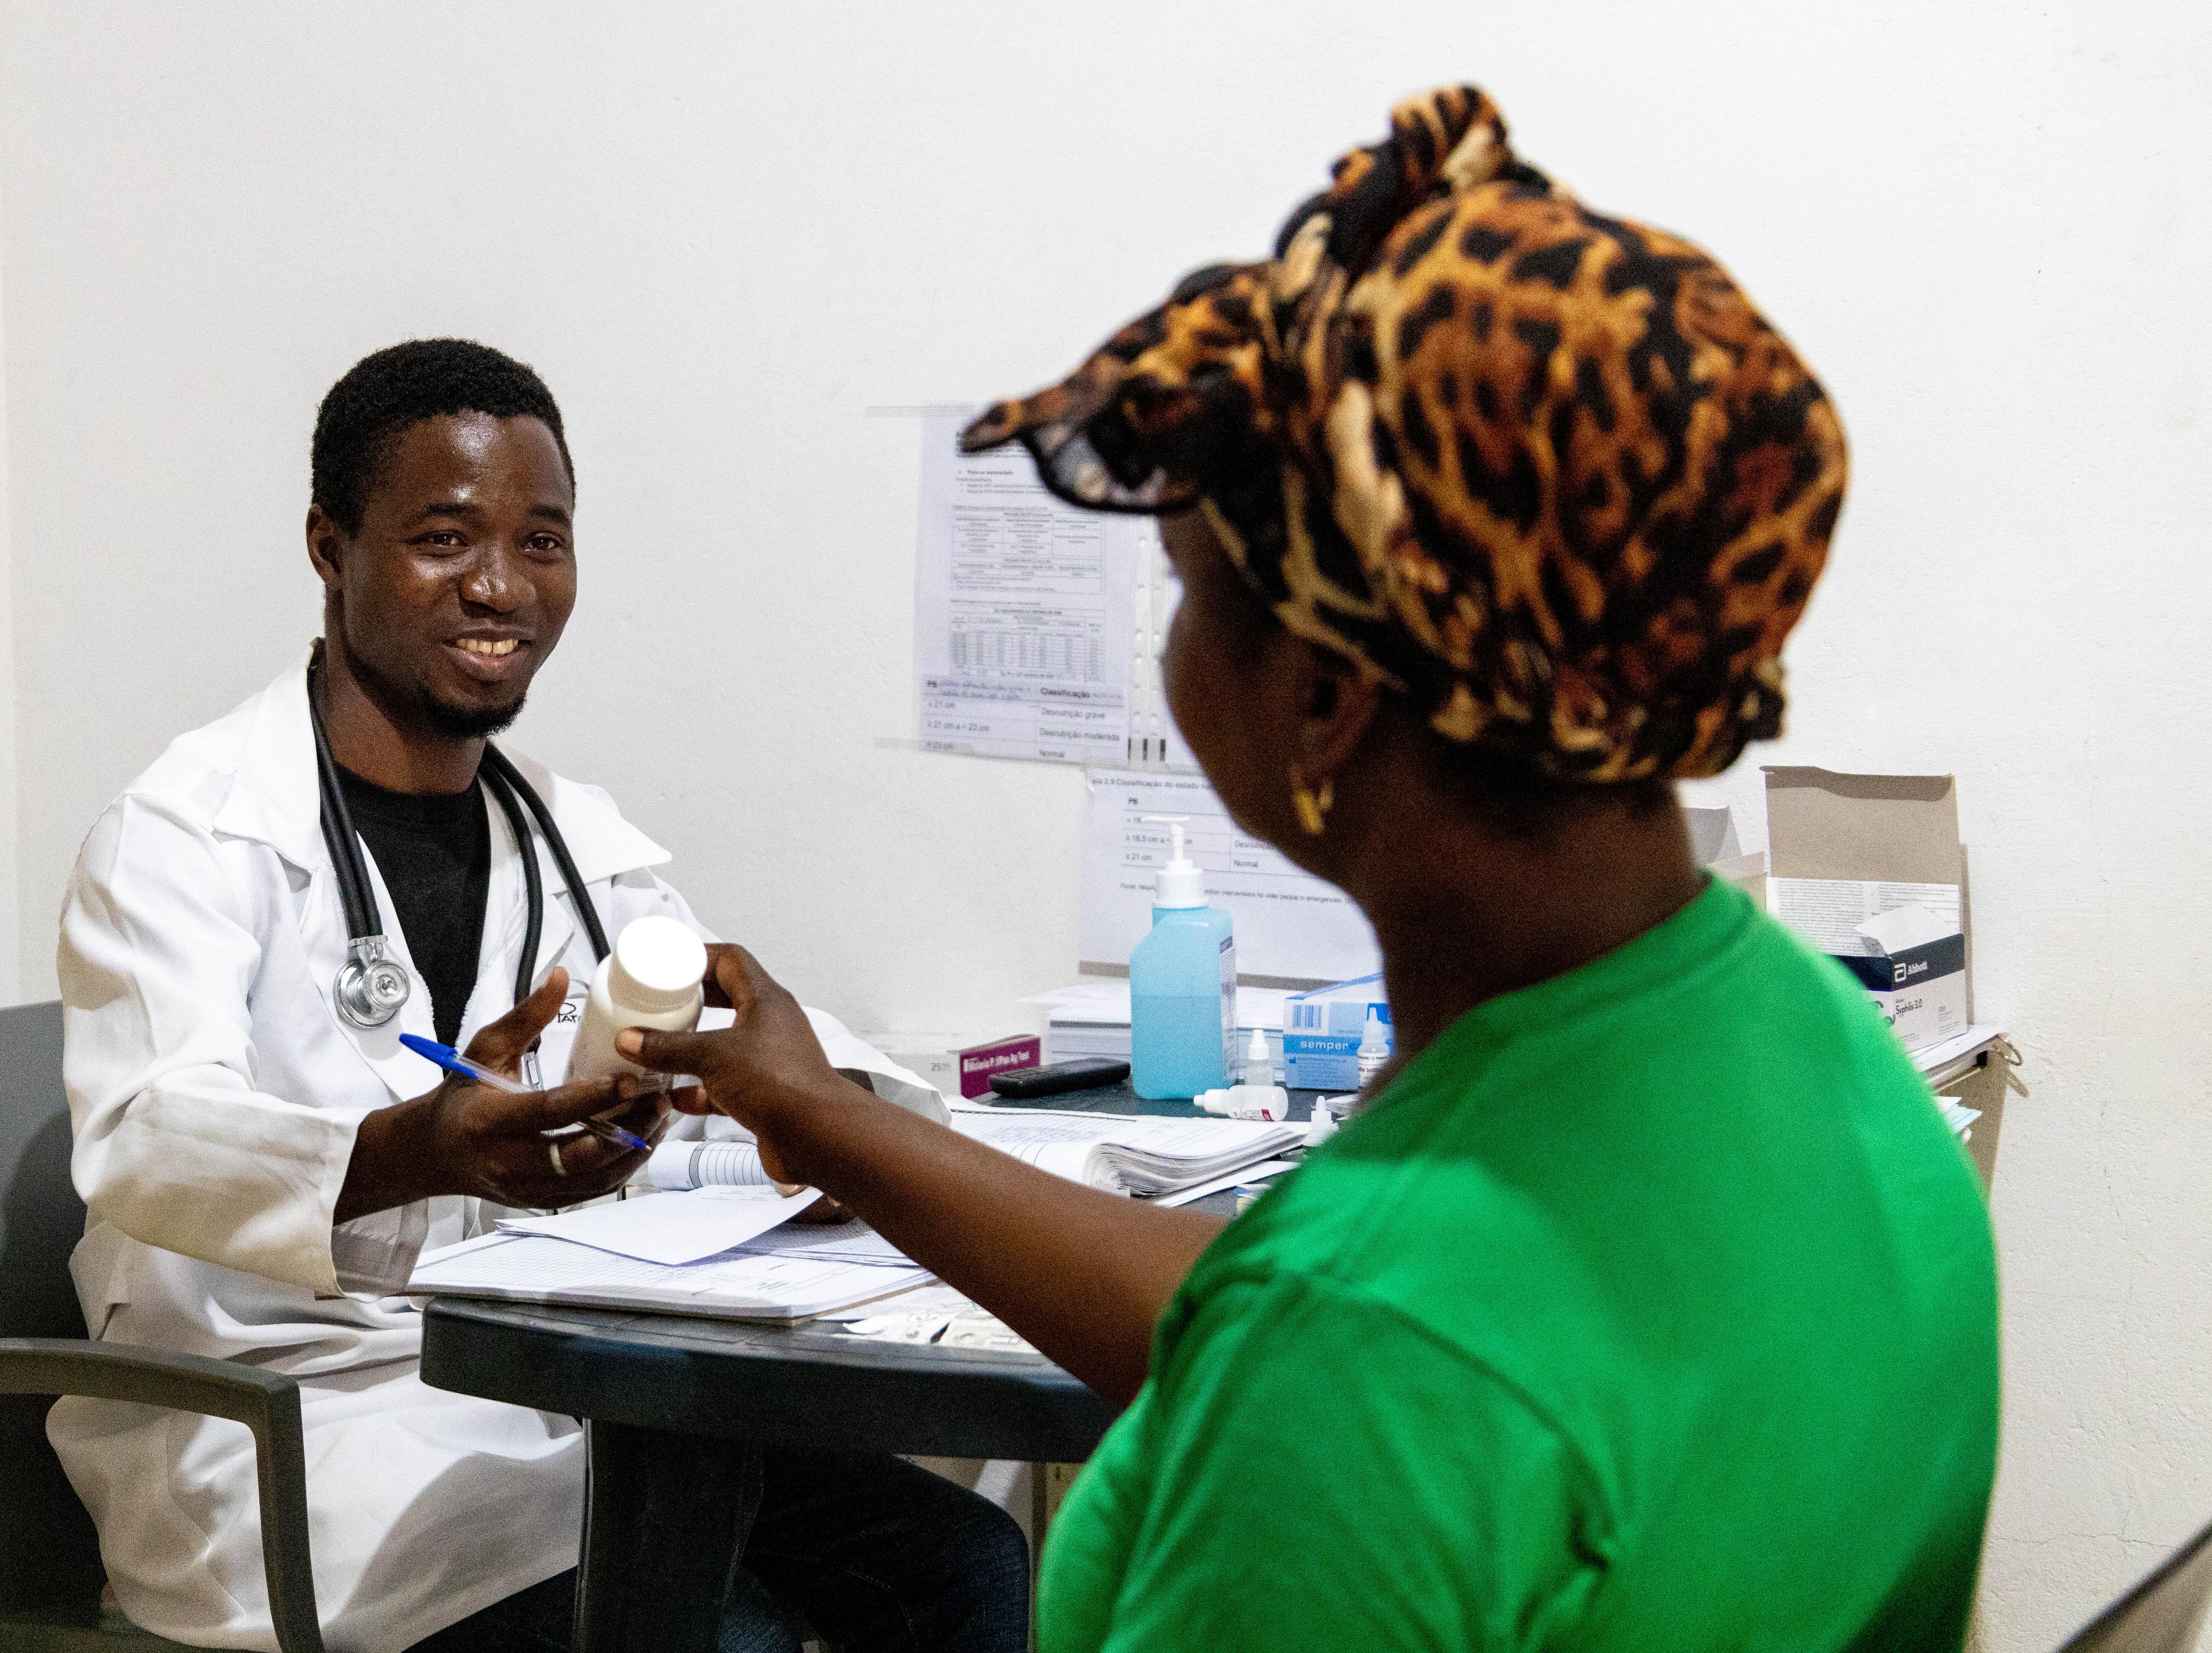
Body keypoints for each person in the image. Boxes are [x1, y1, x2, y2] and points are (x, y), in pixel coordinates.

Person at [618, 88, 2001, 1651]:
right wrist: (824, 1121)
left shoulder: (1364, 1373)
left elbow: (1347, 1356)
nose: (1173, 652)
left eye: (1190, 587)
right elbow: (1278, 1308)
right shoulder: (1801, 1045)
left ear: (1330, 698)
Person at [50, 339, 1027, 1653]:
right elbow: (145, 1136)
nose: (501, 586)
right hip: (296, 1424)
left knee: (967, 1561)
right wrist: (420, 1146)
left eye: (543, 541)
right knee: (707, 1633)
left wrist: (831, 1115)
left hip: (537, 1397)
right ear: (330, 549)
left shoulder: (572, 838)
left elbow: (744, 1042)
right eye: (445, 539)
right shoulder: (190, 833)